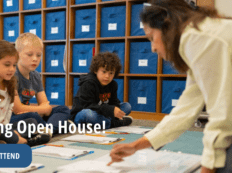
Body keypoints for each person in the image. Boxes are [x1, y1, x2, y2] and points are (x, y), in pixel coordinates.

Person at [108, 0, 232, 172]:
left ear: (167, 26)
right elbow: (186, 108)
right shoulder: (198, 34)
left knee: (220, 160)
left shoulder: (198, 38)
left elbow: (223, 115)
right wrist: (137, 145)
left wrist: (208, 167)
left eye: (152, 38)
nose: (152, 48)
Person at [0, 40, 51, 146]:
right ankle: (24, 142)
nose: (11, 69)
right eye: (7, 65)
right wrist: (8, 134)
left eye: (14, 65)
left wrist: (9, 132)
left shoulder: (10, 84)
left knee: (31, 122)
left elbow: (6, 118)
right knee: (2, 135)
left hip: (2, 130)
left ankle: (13, 141)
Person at [13, 33, 71, 134]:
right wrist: (41, 109)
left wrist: (42, 109)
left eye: (38, 55)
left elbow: (45, 105)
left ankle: (47, 130)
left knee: (64, 109)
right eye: (30, 54)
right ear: (17, 54)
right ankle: (55, 127)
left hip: (31, 113)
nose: (35, 59)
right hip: (15, 117)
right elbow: (18, 109)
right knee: (33, 118)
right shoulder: (12, 74)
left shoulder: (35, 75)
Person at [71, 52, 133, 129]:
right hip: (82, 113)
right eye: (104, 72)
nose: (107, 76)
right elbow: (87, 105)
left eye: (111, 73)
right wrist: (110, 110)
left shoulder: (113, 84)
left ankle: (105, 122)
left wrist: (115, 109)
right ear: (96, 70)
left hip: (102, 113)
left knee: (127, 106)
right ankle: (114, 123)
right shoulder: (88, 83)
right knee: (90, 114)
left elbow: (114, 102)